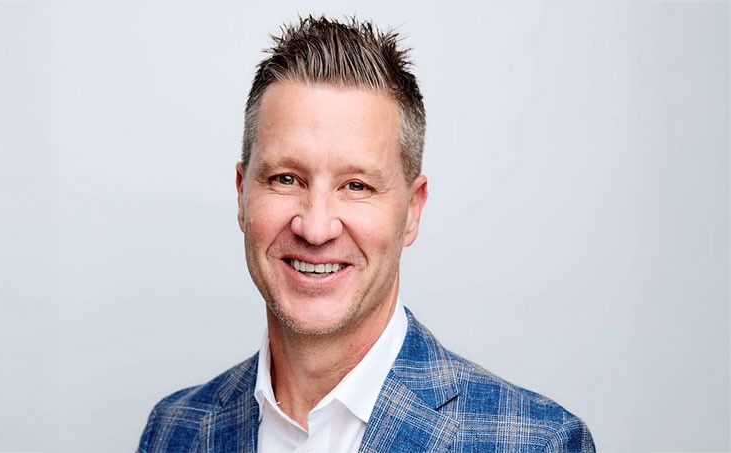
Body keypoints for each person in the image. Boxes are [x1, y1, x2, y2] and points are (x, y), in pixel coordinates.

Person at [137, 16, 595, 452]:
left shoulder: (537, 443)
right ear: (242, 195)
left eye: (356, 186)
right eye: (285, 179)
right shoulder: (173, 430)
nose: (316, 228)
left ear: (412, 211)